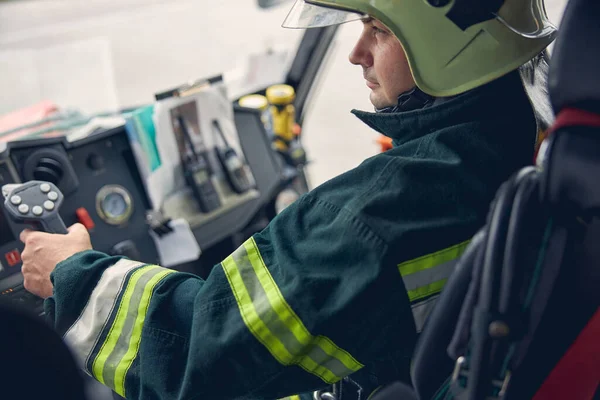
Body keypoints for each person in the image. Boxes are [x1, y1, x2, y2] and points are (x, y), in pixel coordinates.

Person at [18, 0, 556, 399]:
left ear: (448, 49)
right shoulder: (532, 138)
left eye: (379, 30)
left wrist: (73, 276)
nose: (355, 52)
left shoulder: (378, 215)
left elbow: (198, 360)